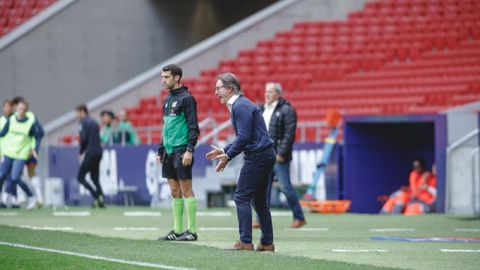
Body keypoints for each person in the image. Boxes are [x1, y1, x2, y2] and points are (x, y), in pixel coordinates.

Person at [206, 73, 276, 252]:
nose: (215, 93)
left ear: (229, 89)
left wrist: (228, 157)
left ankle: (245, 242)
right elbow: (245, 136)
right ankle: (267, 243)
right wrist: (224, 150)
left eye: (218, 88)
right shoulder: (241, 105)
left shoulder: (240, 106)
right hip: (265, 154)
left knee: (241, 197)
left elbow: (244, 137)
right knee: (260, 202)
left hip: (258, 156)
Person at [155, 64, 199, 241]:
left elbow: (193, 127)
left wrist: (189, 150)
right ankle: (177, 230)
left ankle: (192, 231)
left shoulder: (187, 99)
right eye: (162, 77)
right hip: (168, 152)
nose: (163, 80)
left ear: (177, 77)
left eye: (166, 77)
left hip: (182, 150)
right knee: (174, 190)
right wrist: (160, 150)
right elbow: (165, 127)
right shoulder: (167, 99)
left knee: (186, 189)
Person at [257, 82, 306, 228]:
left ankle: (299, 217)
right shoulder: (262, 109)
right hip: (264, 155)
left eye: (271, 92)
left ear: (278, 94)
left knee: (285, 187)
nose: (267, 94)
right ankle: (260, 220)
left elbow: (289, 134)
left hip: (278, 156)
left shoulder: (286, 110)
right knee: (262, 189)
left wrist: (281, 153)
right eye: (266, 91)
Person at [0, 100, 43, 209]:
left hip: (21, 154)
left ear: (26, 110)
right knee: (1, 176)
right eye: (19, 109)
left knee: (15, 178)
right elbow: (3, 133)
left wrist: (35, 149)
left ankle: (31, 196)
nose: (21, 111)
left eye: (23, 109)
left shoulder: (30, 122)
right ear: (16, 109)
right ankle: (3, 198)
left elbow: (38, 136)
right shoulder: (11, 119)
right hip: (9, 153)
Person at [75, 104, 105, 208]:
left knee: (80, 177)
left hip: (90, 153)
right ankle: (101, 199)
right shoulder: (94, 122)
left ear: (82, 111)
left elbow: (83, 139)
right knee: (95, 178)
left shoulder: (83, 123)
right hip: (98, 152)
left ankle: (97, 196)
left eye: (77, 112)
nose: (76, 115)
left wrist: (81, 152)